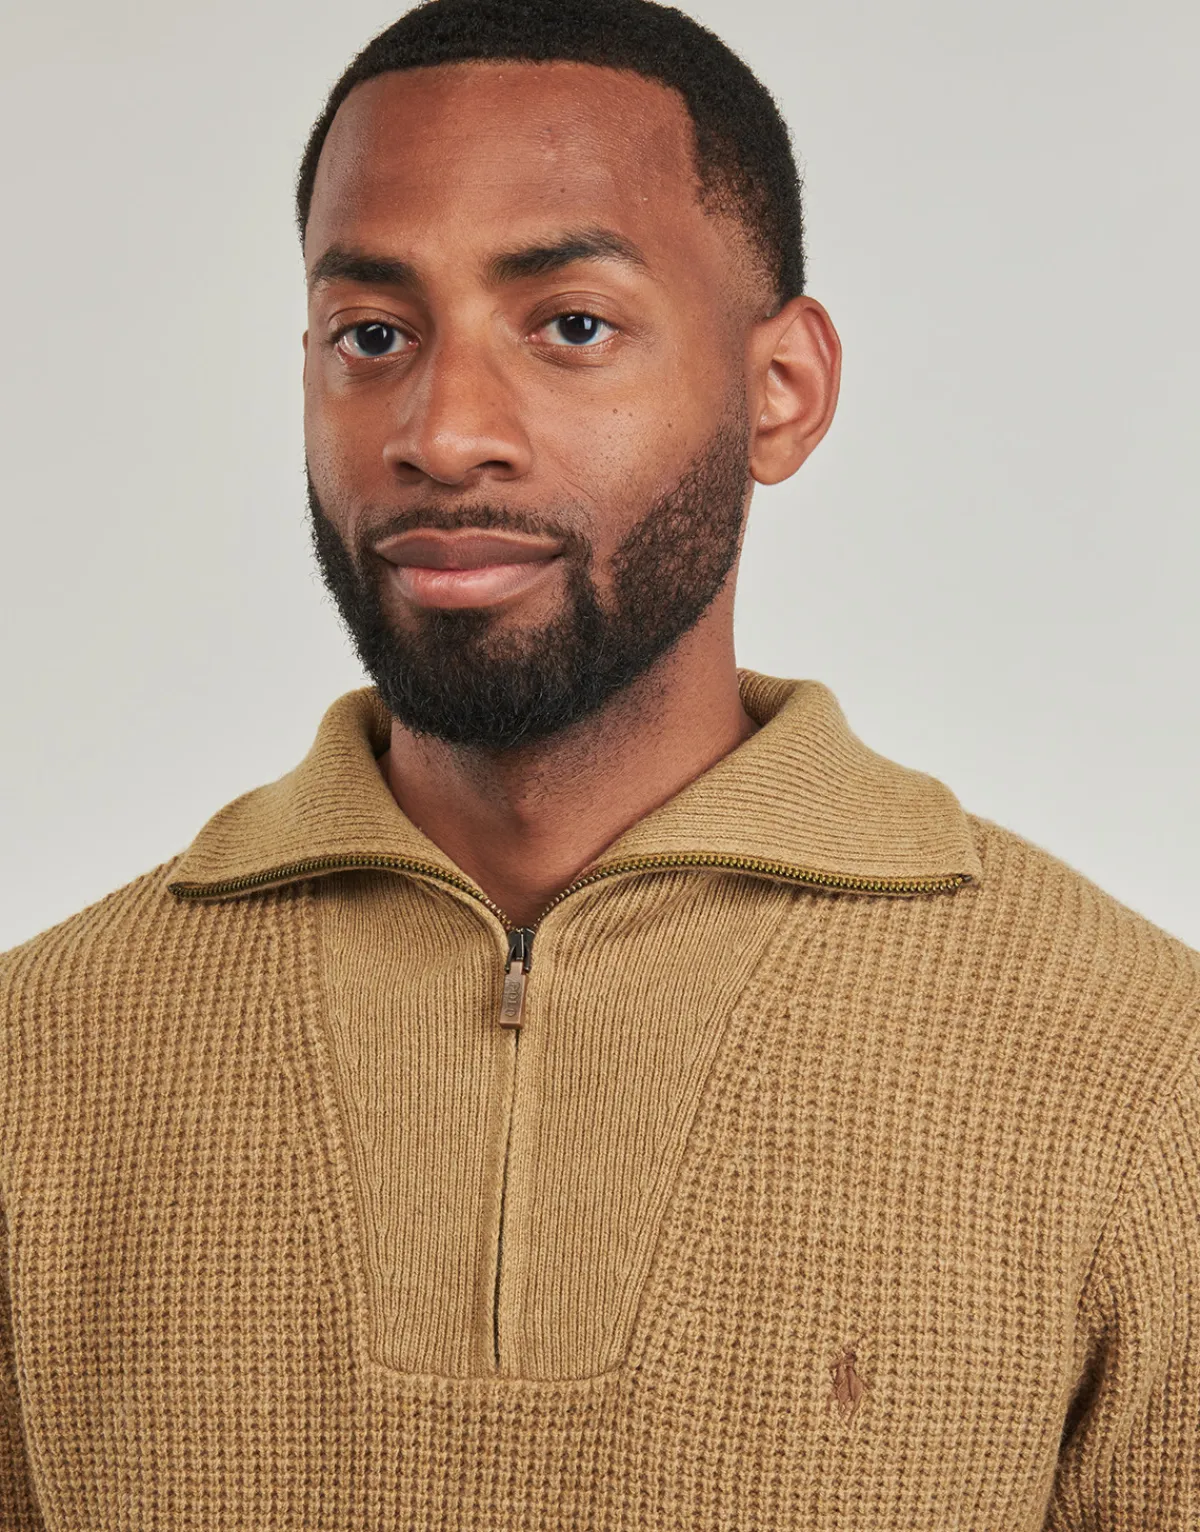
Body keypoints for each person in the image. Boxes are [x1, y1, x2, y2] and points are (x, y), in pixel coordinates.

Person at [1, 0, 1196, 1525]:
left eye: (571, 325)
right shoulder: (33, 1062)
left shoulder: (1141, 1067)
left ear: (783, 391)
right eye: (374, 336)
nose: (444, 433)